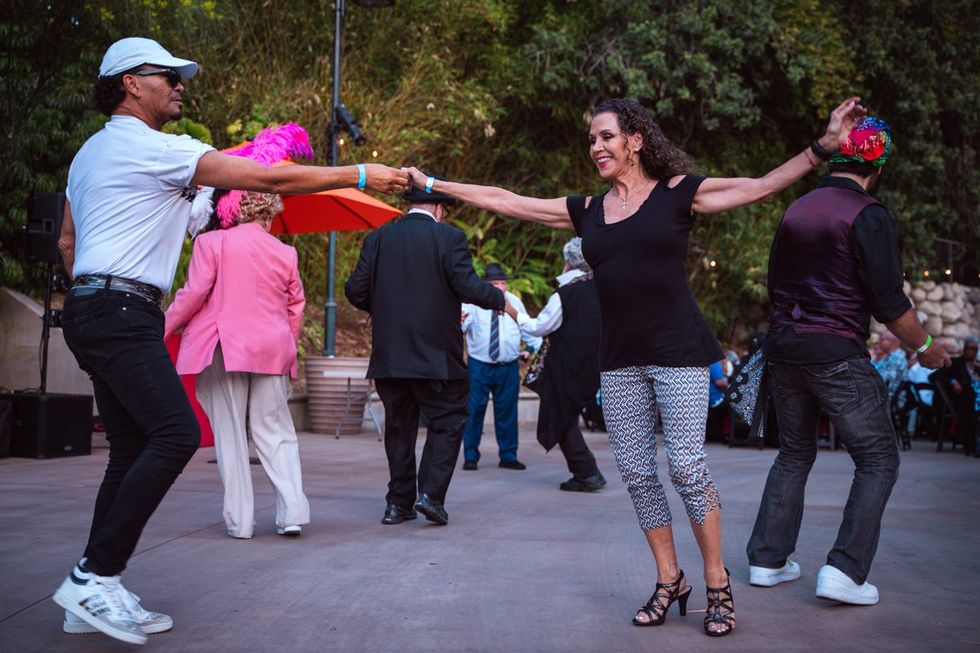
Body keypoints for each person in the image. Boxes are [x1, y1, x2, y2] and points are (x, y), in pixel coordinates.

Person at [406, 95, 870, 637]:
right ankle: (669, 578)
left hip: (679, 353)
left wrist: (823, 147)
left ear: (636, 140)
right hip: (619, 360)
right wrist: (434, 186)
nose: (595, 147)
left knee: (688, 470)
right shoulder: (588, 210)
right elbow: (507, 200)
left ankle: (717, 583)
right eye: (591, 139)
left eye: (605, 136)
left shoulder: (679, 194)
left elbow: (761, 185)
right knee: (638, 475)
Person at [53, 37, 408, 645]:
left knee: (131, 448)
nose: (180, 83)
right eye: (166, 75)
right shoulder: (155, 148)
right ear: (130, 84)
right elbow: (269, 175)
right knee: (176, 434)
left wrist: (95, 290)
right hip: (121, 308)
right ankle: (95, 574)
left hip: (92, 306)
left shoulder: (91, 155)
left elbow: (66, 238)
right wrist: (358, 172)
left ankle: (94, 589)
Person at [746, 117, 951, 608]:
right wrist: (928, 349)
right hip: (835, 351)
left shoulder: (797, 208)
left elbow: (775, 285)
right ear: (876, 167)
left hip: (784, 348)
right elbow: (889, 303)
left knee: (794, 452)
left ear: (839, 157)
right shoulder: (868, 214)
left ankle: (768, 560)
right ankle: (844, 570)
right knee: (879, 457)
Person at [165, 125, 313, 541]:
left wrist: (162, 326)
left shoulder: (213, 244)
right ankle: (292, 513)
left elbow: (193, 295)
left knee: (230, 435)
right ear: (270, 208)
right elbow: (294, 310)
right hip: (272, 350)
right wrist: (290, 354)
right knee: (276, 431)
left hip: (223, 348)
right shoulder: (286, 252)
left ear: (233, 206)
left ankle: (241, 522)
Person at [344, 178, 504, 527]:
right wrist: (498, 299)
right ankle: (430, 494)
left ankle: (397, 505)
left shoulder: (379, 238)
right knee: (448, 420)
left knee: (399, 428)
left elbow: (355, 289)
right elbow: (466, 285)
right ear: (439, 209)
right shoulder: (448, 238)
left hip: (390, 356)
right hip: (436, 357)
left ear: (409, 205)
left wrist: (380, 306)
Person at [508, 237, 607, 491]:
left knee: (560, 416)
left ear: (567, 263)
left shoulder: (566, 293)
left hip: (566, 366)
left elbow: (540, 327)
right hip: (591, 365)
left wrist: (513, 313)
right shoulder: (603, 289)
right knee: (566, 416)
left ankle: (587, 472)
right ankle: (586, 470)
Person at [461, 262, 540, 471]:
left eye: (502, 283)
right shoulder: (473, 303)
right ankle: (470, 456)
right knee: (474, 410)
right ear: (486, 284)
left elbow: (527, 330)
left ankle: (508, 455)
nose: (499, 287)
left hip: (508, 366)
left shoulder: (514, 302)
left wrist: (529, 351)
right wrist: (458, 321)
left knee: (507, 411)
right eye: (495, 283)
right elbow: (461, 326)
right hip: (479, 365)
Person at [931, 336, 979, 456]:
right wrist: (952, 382)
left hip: (975, 399)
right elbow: (934, 377)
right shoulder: (955, 363)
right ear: (964, 349)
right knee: (971, 408)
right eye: (969, 348)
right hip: (960, 400)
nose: (971, 351)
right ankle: (971, 445)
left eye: (974, 349)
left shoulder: (977, 367)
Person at [874, 332, 907, 400]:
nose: (879, 342)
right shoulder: (890, 357)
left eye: (882, 339)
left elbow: (885, 382)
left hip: (887, 401)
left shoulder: (898, 359)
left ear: (893, 341)